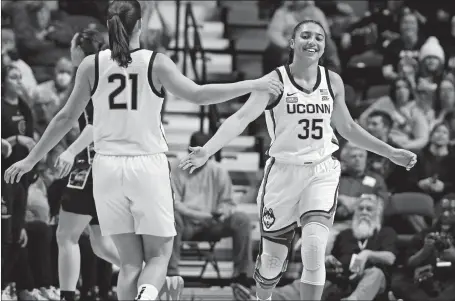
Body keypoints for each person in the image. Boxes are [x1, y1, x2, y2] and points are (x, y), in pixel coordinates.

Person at [3, 1, 283, 300]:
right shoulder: (155, 62)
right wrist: (255, 83)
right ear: (139, 25)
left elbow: (64, 118)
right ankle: (146, 296)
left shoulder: (91, 64)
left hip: (107, 168)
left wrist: (32, 159)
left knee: (129, 263)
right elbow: (200, 95)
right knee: (159, 258)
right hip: (146, 166)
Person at [178, 19, 417, 301]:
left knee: (314, 248)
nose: (312, 41)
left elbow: (348, 128)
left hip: (321, 170)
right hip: (283, 173)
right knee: (272, 261)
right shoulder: (274, 82)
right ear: (292, 42)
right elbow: (240, 118)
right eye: (305, 35)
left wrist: (391, 152)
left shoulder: (333, 81)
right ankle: (262, 298)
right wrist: (208, 149)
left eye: (318, 37)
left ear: (325, 46)